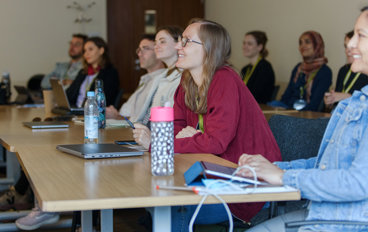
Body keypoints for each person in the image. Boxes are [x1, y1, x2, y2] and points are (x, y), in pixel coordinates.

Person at [133, 19, 281, 230]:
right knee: (154, 198)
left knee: (172, 206)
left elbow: (215, 143)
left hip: (245, 185)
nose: (178, 47)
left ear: (209, 49)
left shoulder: (225, 80)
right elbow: (175, 128)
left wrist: (159, 143)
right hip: (208, 174)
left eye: (186, 42)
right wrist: (195, 138)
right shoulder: (187, 82)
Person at [239, 6, 368, 232]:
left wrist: (284, 176)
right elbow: (325, 166)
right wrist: (271, 168)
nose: (350, 44)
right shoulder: (355, 102)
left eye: (361, 35)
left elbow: (358, 183)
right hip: (322, 213)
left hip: (346, 223)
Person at [105, 34, 165, 122]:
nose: (140, 54)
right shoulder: (145, 79)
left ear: (159, 51)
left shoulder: (162, 80)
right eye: (139, 50)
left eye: (146, 49)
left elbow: (144, 121)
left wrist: (116, 116)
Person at [268, 31, 332, 111]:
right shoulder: (298, 68)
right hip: (289, 108)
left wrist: (289, 111)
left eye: (307, 42)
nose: (303, 46)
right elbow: (286, 96)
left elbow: (314, 105)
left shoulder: (325, 71)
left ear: (317, 45)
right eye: (300, 43)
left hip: (307, 113)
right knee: (271, 105)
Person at [66, 37, 119, 107]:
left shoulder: (110, 73)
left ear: (101, 50)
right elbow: (68, 95)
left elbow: (104, 100)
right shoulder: (83, 72)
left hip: (92, 113)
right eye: (85, 51)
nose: (86, 54)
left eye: (90, 49)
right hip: (75, 111)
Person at [324, 30, 368, 108]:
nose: (347, 51)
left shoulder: (366, 72)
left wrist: (347, 97)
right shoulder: (343, 70)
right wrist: (330, 100)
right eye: (346, 46)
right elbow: (335, 105)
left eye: (353, 47)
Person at [241, 31, 275, 104]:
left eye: (249, 44)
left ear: (260, 47)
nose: (245, 46)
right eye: (244, 43)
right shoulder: (245, 69)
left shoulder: (265, 67)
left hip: (259, 109)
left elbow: (255, 95)